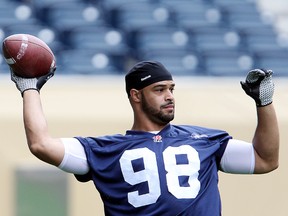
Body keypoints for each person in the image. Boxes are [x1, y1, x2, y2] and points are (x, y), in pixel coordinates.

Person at [9, 60, 279, 216]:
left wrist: (264, 102)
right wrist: (30, 88)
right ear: (136, 95)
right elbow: (41, 144)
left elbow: (265, 159)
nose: (170, 96)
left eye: (171, 88)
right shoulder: (105, 149)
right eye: (159, 89)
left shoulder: (204, 140)